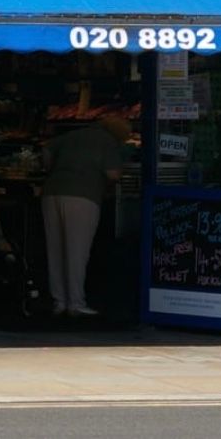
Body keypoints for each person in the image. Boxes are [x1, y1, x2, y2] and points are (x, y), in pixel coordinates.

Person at [40, 112, 131, 318]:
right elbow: (113, 174)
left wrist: (53, 170)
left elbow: (46, 149)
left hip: (52, 191)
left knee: (55, 248)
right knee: (77, 251)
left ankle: (59, 301)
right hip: (83, 196)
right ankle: (76, 303)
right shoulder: (108, 142)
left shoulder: (75, 134)